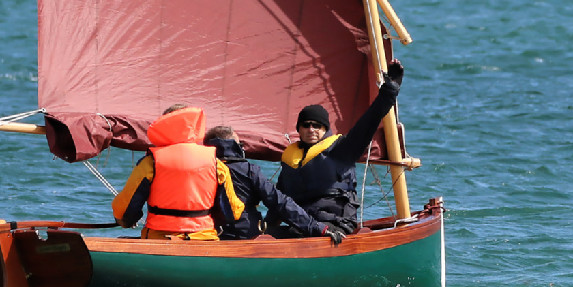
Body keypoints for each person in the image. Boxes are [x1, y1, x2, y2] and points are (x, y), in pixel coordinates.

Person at [268, 60, 404, 236]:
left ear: (325, 130)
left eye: (317, 126)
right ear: (299, 130)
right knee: (255, 235)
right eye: (306, 125)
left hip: (336, 225)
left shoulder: (342, 149)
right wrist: (263, 229)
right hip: (304, 226)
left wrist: (390, 90)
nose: (311, 129)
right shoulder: (291, 160)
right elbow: (281, 200)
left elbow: (369, 122)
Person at [112, 105, 244, 240]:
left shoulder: (151, 162)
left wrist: (126, 221)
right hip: (203, 239)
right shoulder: (217, 164)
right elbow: (233, 212)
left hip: (159, 239)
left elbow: (124, 210)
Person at [203, 126, 345, 245]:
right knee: (295, 233)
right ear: (233, 146)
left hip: (211, 234)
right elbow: (279, 202)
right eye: (240, 144)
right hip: (245, 236)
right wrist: (318, 228)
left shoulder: (201, 169)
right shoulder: (248, 170)